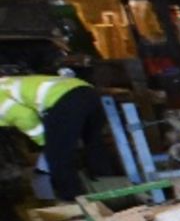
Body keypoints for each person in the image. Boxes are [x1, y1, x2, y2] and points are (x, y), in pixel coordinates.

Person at [0, 71, 105, 199]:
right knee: (94, 144)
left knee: (58, 155)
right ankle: (108, 186)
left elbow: (25, 117)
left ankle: (73, 200)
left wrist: (43, 141)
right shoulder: (6, 84)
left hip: (63, 100)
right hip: (87, 92)